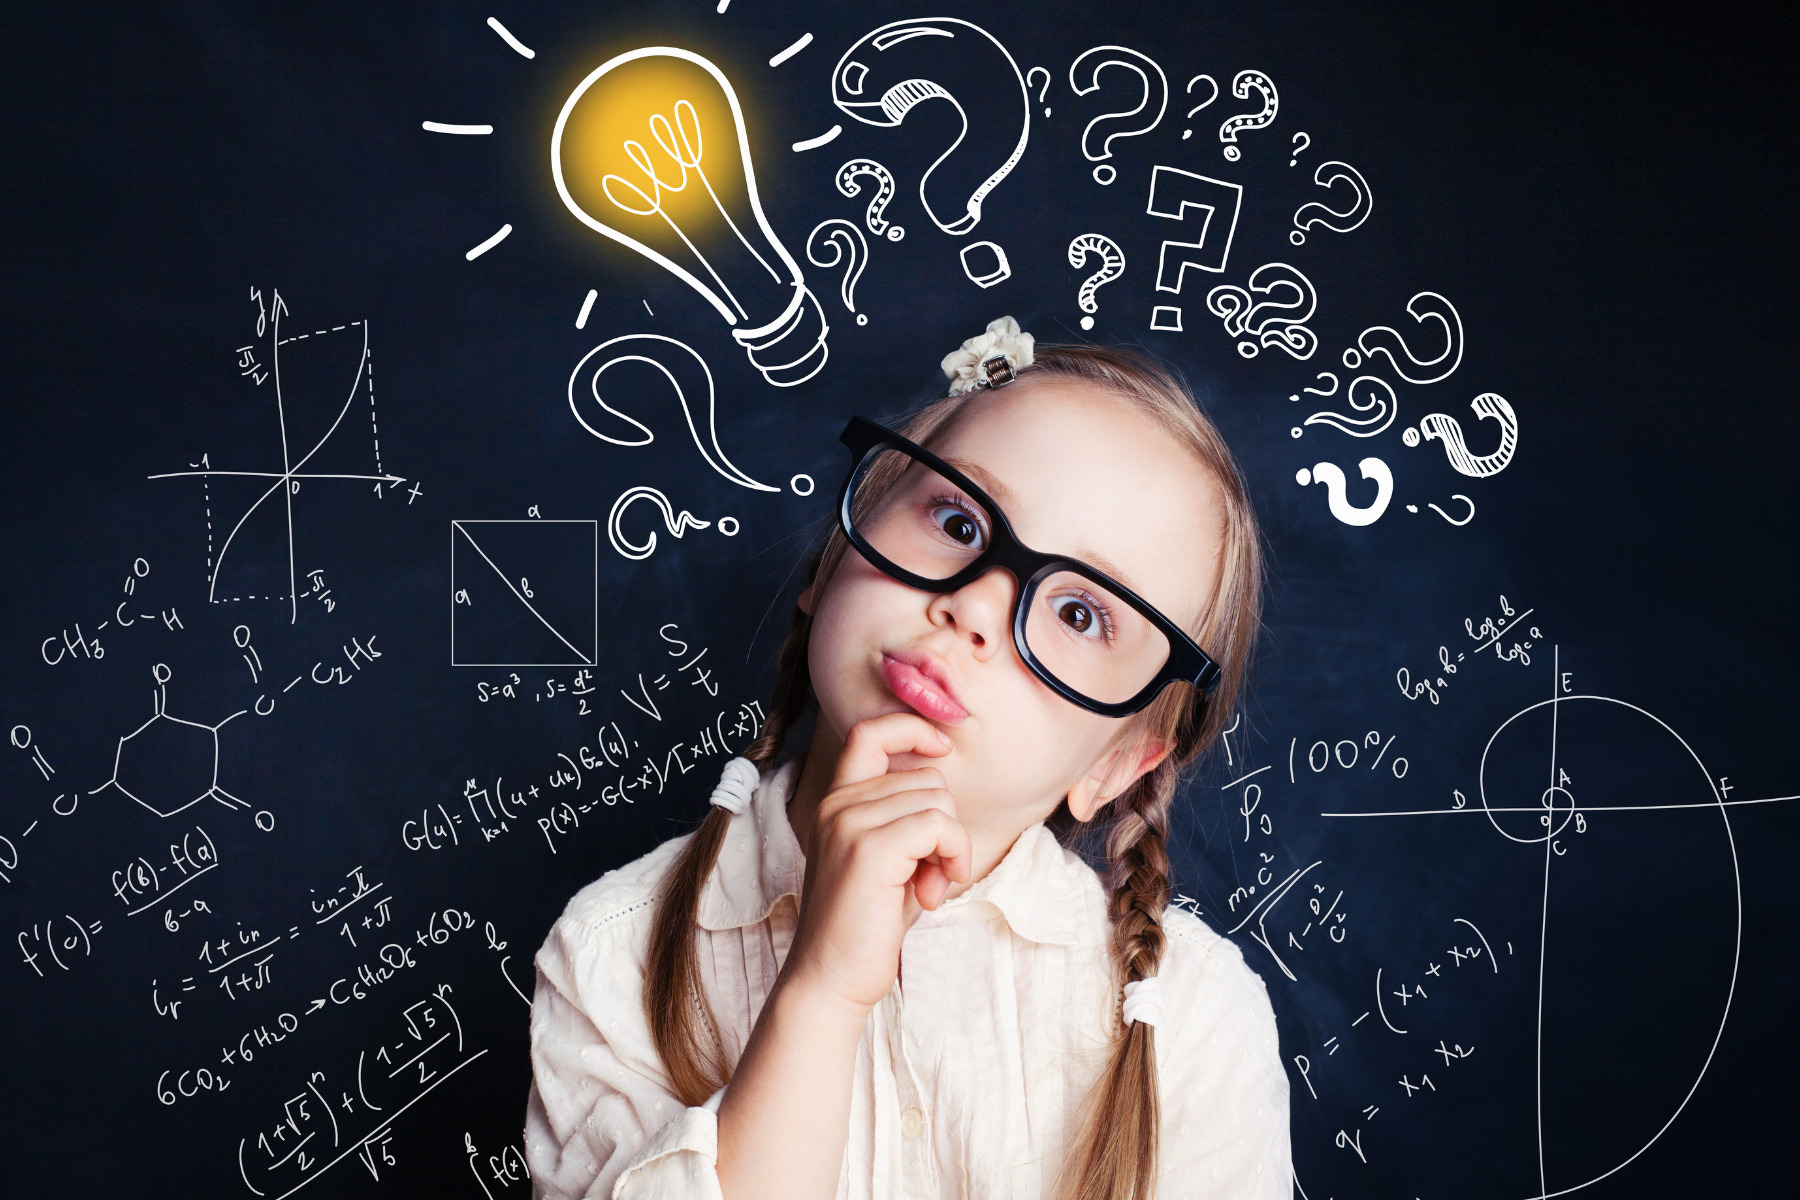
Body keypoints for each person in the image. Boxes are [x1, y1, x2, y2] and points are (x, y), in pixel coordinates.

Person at [524, 317, 1290, 1200]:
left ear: (1117, 767)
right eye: (957, 520)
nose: (973, 607)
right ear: (832, 562)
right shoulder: (610, 953)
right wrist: (819, 993)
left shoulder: (1196, 1020)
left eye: (1081, 615)